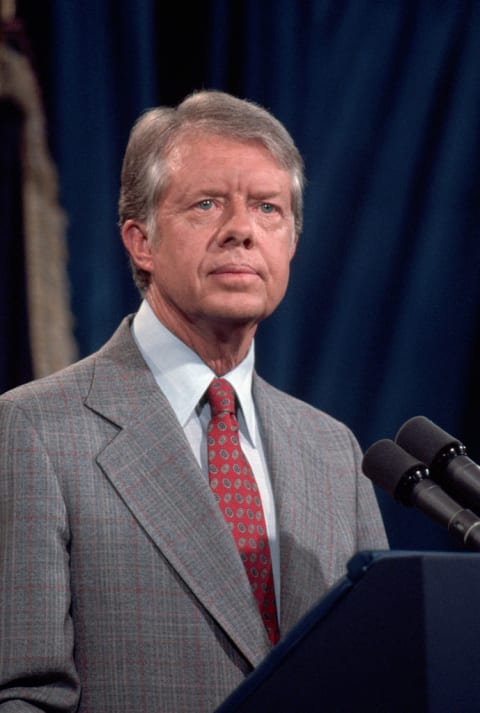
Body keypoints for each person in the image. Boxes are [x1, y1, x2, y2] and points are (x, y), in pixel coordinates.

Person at [0, 90, 388, 712]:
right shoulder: (36, 430)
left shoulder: (333, 451)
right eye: (208, 204)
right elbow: (21, 696)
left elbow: (380, 676)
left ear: (290, 244)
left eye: (268, 209)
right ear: (141, 241)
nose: (241, 230)